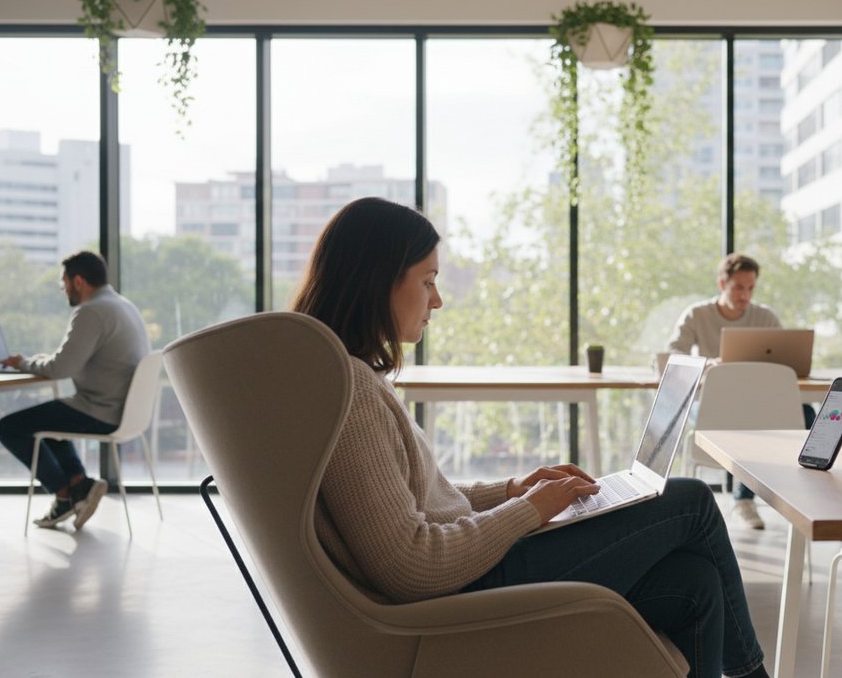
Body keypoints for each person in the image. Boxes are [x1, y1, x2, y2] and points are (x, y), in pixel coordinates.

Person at [292, 198, 768, 678]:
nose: (437, 300)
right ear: (378, 280)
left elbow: (421, 505)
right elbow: (412, 567)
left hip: (470, 575)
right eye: (428, 281)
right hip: (461, 595)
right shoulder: (354, 395)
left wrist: (511, 491)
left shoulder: (354, 381)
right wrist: (528, 512)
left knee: (694, 583)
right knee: (689, 501)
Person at [0, 251, 150, 529]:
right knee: (51, 420)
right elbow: (66, 361)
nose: (63, 289)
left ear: (78, 281)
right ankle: (79, 485)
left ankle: (64, 493)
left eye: (63, 282)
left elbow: (60, 368)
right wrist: (43, 360)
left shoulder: (91, 311)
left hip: (100, 411)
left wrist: (22, 362)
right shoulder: (122, 305)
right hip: (121, 409)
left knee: (8, 428)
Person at [666, 253, 815, 530]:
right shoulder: (698, 314)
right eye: (738, 287)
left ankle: (781, 498)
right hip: (713, 407)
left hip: (759, 404)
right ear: (722, 284)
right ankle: (744, 498)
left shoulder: (765, 316)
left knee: (805, 414)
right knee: (769, 419)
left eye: (750, 288)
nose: (744, 295)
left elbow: (786, 358)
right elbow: (674, 355)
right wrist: (709, 365)